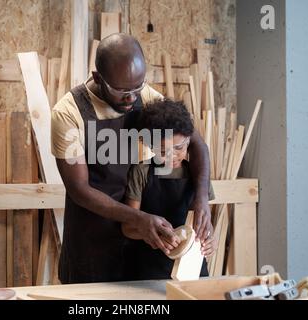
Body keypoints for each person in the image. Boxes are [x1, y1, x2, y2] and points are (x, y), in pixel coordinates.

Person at [51, 33, 212, 284]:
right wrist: (138, 218)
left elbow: (196, 142)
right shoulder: (68, 113)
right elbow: (79, 189)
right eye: (122, 91)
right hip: (93, 236)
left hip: (138, 239)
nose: (132, 98)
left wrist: (202, 199)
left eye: (138, 87)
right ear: (97, 78)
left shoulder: (142, 93)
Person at [122, 99, 217, 280]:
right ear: (151, 146)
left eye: (179, 148)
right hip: (148, 268)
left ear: (189, 139)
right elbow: (127, 227)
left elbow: (203, 224)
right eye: (163, 151)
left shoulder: (197, 176)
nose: (172, 156)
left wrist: (210, 239)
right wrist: (153, 234)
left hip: (191, 268)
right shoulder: (141, 172)